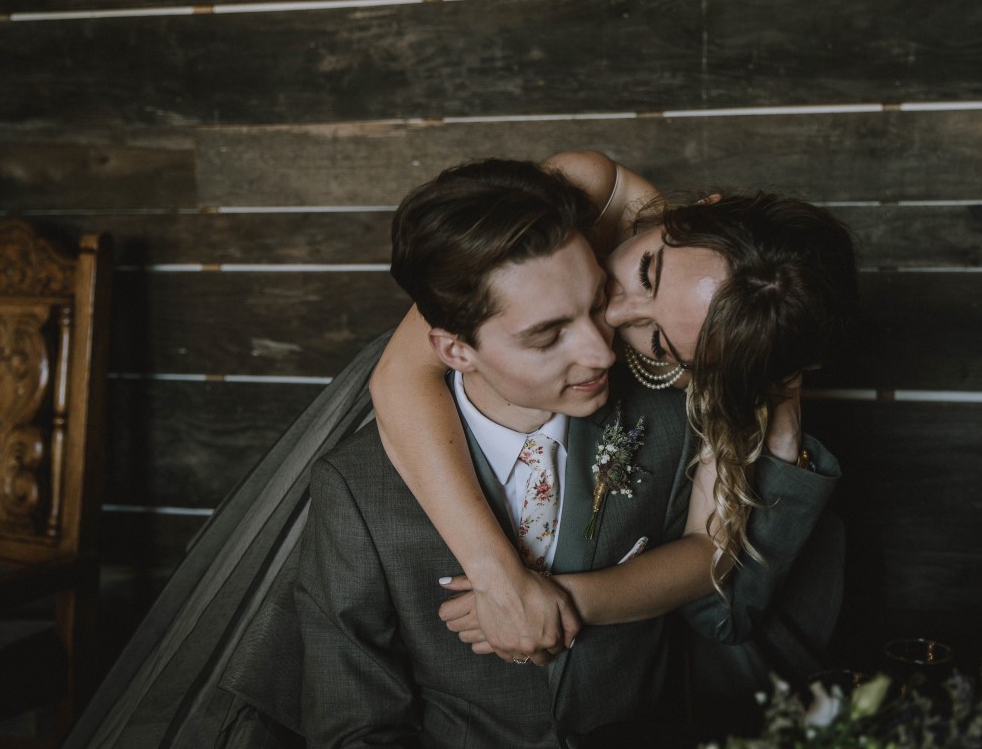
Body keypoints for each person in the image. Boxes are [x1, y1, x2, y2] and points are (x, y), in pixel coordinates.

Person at [294, 158, 837, 746]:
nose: (607, 339)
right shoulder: (568, 200)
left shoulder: (677, 402)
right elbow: (400, 379)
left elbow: (718, 582)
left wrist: (778, 413)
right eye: (641, 276)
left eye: (656, 339)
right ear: (697, 212)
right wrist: (501, 578)